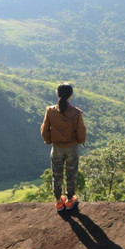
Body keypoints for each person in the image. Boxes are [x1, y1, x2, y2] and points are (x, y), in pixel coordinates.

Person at [40, 83, 86, 212]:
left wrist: (49, 141)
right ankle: (70, 200)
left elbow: (44, 130)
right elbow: (81, 132)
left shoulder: (51, 111)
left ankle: (59, 202)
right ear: (70, 95)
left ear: (57, 93)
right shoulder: (76, 113)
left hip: (57, 148)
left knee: (57, 175)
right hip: (72, 149)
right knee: (71, 174)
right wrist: (81, 141)